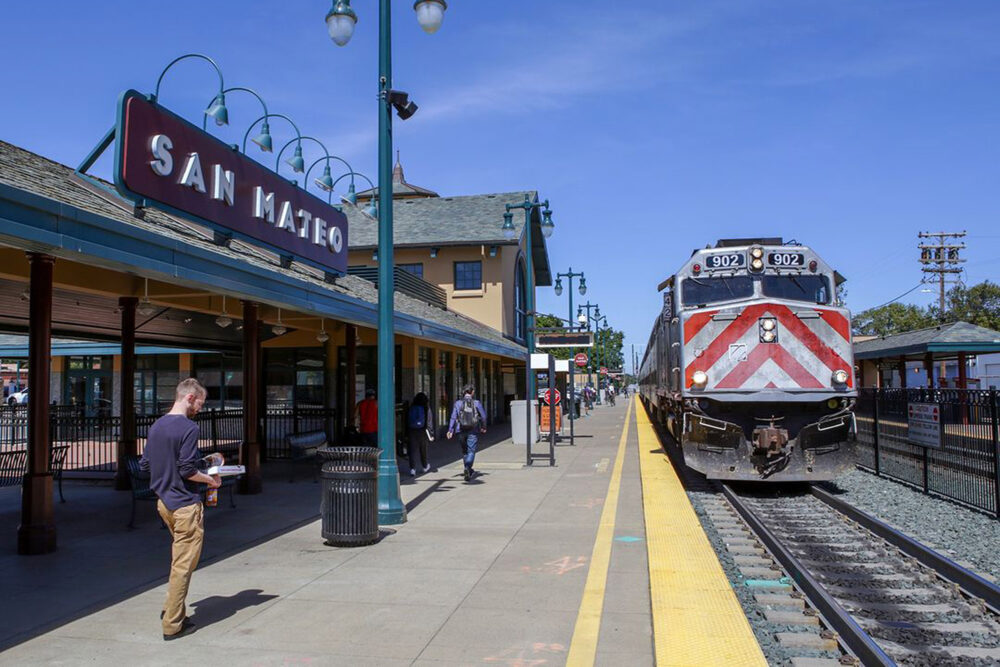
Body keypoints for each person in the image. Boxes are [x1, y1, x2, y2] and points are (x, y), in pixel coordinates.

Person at [140, 378, 221, 641]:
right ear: (189, 398)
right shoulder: (188, 427)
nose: (201, 407)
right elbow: (187, 469)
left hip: (164, 502)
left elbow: (146, 464)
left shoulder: (157, 426)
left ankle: (171, 610)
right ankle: (173, 624)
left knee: (178, 561)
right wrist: (210, 478)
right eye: (200, 402)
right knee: (183, 566)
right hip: (185, 504)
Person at [447, 384, 487, 481]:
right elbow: (484, 417)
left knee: (465, 451)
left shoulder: (458, 403)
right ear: (472, 392)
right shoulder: (476, 403)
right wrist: (483, 427)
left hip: (460, 430)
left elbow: (453, 417)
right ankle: (467, 468)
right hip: (472, 430)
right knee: (471, 451)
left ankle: (467, 470)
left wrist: (450, 430)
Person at [406, 392, 433, 476]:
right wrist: (431, 433)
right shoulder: (426, 407)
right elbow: (429, 421)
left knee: (412, 451)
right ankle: (425, 466)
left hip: (412, 430)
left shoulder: (412, 407)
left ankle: (412, 469)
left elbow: (407, 420)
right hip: (422, 431)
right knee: (423, 450)